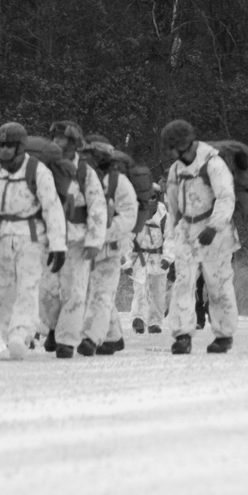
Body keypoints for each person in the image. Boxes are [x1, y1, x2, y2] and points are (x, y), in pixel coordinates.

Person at [0, 122, 67, 360]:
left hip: (31, 236)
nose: (4, 150)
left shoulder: (38, 170)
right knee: (4, 290)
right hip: (0, 235)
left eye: (9, 145)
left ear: (20, 146)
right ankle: (11, 339)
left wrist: (58, 245)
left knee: (28, 287)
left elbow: (52, 208)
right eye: (0, 145)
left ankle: (20, 335)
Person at [160, 119, 240, 354]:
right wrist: (177, 229)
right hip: (187, 232)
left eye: (171, 146)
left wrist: (214, 227)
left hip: (216, 233)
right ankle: (182, 335)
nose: (169, 152)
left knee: (219, 285)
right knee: (183, 284)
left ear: (183, 144)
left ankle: (224, 335)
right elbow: (172, 201)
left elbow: (226, 197)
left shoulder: (213, 164)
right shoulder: (176, 169)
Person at [39, 121, 107, 359]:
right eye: (54, 137)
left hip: (77, 239)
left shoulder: (84, 171)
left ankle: (66, 340)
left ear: (74, 143)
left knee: (75, 291)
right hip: (46, 237)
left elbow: (98, 205)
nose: (56, 142)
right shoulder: (43, 167)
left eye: (62, 138)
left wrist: (94, 241)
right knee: (46, 289)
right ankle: (51, 326)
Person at [81, 139, 138, 355]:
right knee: (93, 293)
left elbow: (129, 216)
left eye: (92, 155)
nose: (89, 159)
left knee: (101, 294)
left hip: (109, 247)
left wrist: (102, 234)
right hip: (88, 248)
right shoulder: (89, 179)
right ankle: (113, 337)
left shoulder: (118, 182)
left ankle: (91, 338)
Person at [128, 183, 171, 335]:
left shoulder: (165, 216)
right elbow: (128, 236)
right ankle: (138, 318)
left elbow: (170, 237)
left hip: (158, 257)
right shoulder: (136, 213)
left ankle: (155, 322)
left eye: (153, 197)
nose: (149, 201)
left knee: (158, 291)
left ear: (158, 198)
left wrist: (168, 257)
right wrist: (126, 261)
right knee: (140, 288)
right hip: (140, 256)